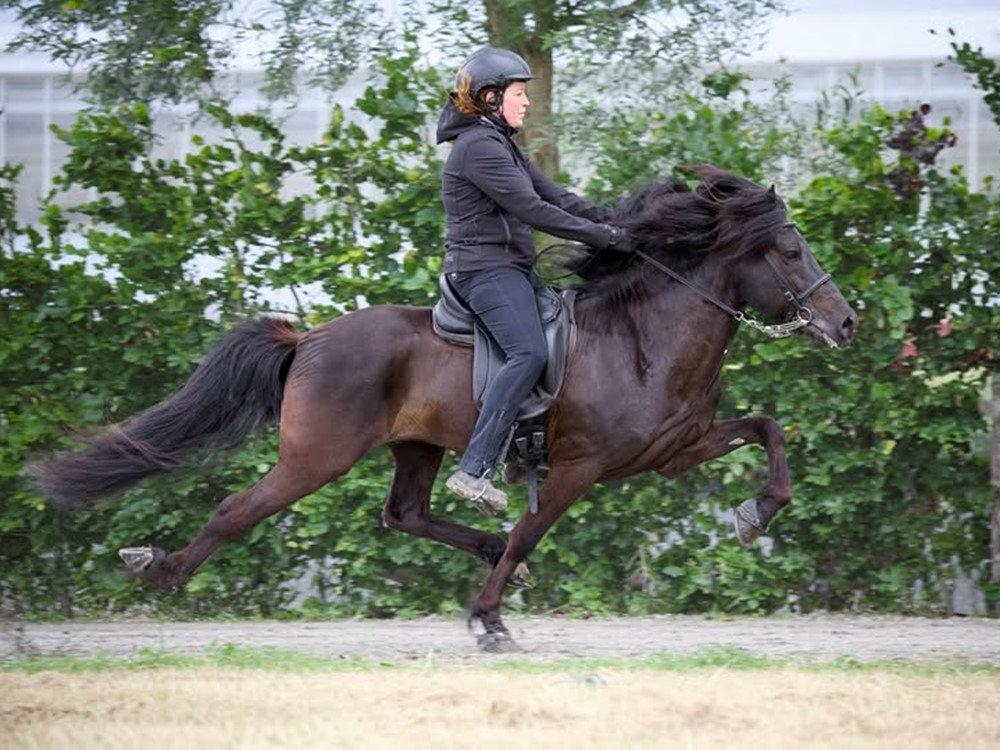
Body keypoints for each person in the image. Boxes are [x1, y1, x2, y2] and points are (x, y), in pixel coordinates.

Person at [436, 46, 634, 513]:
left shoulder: (502, 144)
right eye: (519, 93)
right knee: (529, 352)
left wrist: (622, 222)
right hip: (483, 271)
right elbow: (534, 211)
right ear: (490, 98)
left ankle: (523, 451)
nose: (525, 102)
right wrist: (605, 238)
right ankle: (474, 468)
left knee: (567, 338)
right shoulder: (478, 148)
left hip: (512, 269)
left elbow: (557, 196)